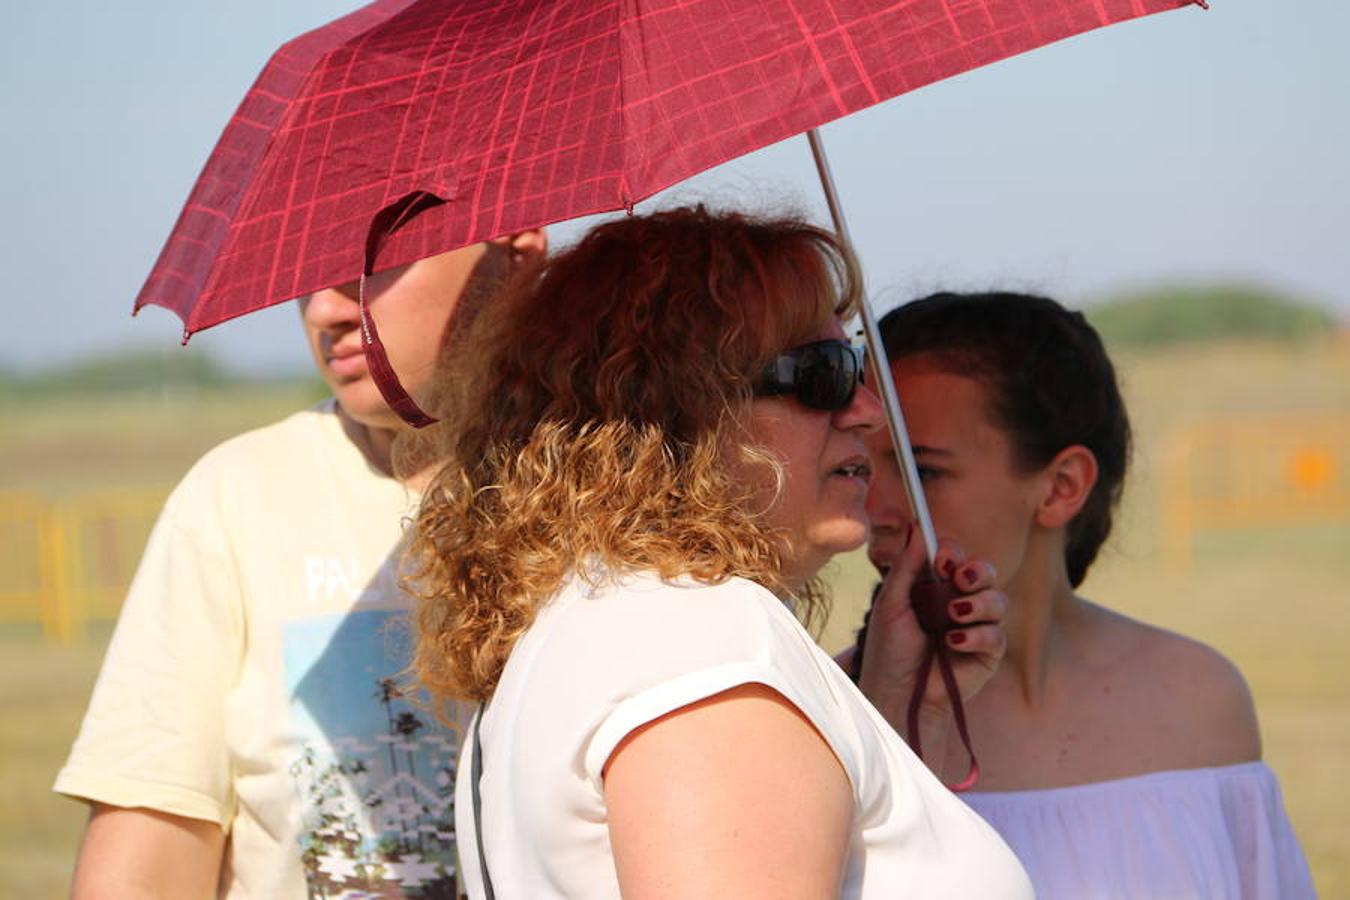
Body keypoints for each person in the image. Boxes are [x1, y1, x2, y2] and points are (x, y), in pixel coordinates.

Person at [402, 206, 1035, 899]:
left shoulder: (596, 623)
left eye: (854, 364)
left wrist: (903, 703)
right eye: (822, 373)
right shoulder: (702, 640)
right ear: (681, 410)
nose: (867, 410)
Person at [54, 229, 546, 899]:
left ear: (517, 246)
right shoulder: (241, 496)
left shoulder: (626, 495)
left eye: (378, 258)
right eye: (308, 265)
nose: (324, 309)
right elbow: (147, 855)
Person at [850, 291, 1316, 899]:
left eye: (922, 471)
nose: (873, 512)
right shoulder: (837, 718)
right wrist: (893, 727)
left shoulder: (1201, 700)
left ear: (1061, 487)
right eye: (860, 468)